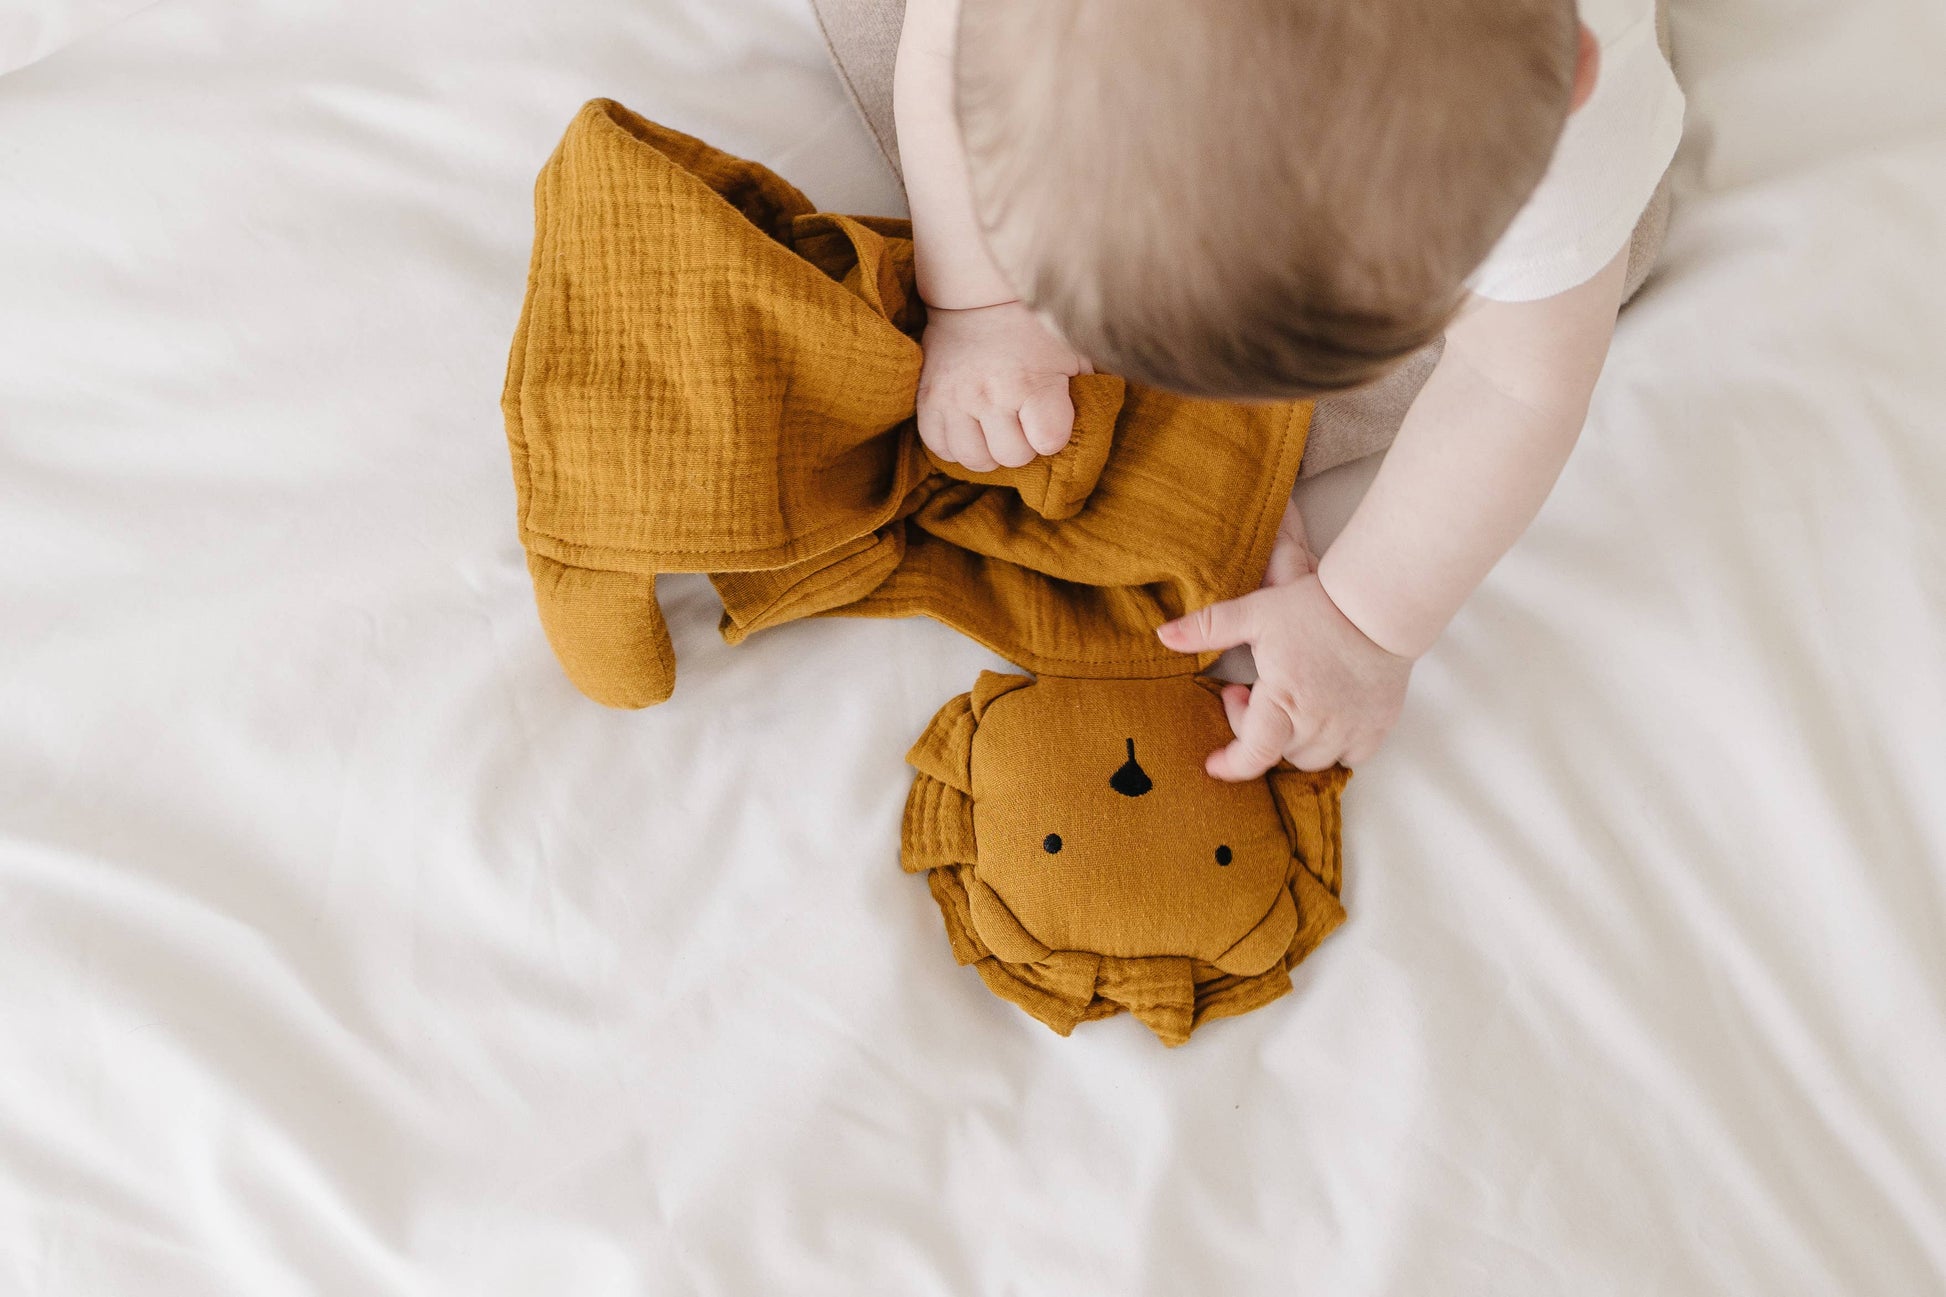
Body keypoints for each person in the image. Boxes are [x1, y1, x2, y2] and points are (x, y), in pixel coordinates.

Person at [834, 0, 1683, 777]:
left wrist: (1365, 625)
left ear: (1573, 69)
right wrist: (983, 304)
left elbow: (1516, 381)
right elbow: (950, 44)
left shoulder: (1558, 136)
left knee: (1593, 262)